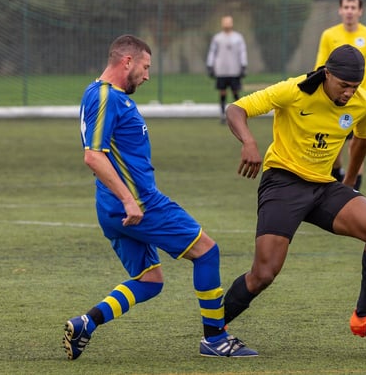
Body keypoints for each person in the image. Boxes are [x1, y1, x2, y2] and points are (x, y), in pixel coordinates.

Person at [64, 34, 257, 360]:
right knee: (207, 252)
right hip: (138, 204)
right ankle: (215, 338)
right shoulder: (105, 96)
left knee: (150, 281)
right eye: (145, 66)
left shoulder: (105, 95)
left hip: (115, 206)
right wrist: (128, 199)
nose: (148, 75)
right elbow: (93, 156)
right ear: (127, 61)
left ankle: (87, 323)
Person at [222, 44, 366, 347]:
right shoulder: (294, 90)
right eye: (343, 85)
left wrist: (350, 182)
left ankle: (363, 318)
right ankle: (214, 328)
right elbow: (236, 109)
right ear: (327, 74)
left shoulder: (363, 103)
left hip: (324, 186)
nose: (349, 93)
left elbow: (363, 139)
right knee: (264, 273)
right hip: (283, 182)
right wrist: (248, 142)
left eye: (354, 87)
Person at [315, 0, 366, 190]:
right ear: (340, 10)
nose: (349, 11)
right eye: (346, 7)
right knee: (335, 150)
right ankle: (337, 181)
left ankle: (352, 191)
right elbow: (320, 67)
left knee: (357, 147)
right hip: (335, 101)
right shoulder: (329, 35)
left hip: (361, 102)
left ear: (360, 11)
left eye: (353, 7)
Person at [206, 15, 248, 124]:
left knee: (235, 92)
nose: (227, 24)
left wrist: (243, 65)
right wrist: (210, 65)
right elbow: (212, 52)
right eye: (225, 22)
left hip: (234, 70)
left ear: (232, 23)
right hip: (221, 71)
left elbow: (242, 51)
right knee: (222, 92)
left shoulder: (238, 37)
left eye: (228, 22)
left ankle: (239, 115)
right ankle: (222, 115)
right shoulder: (217, 38)